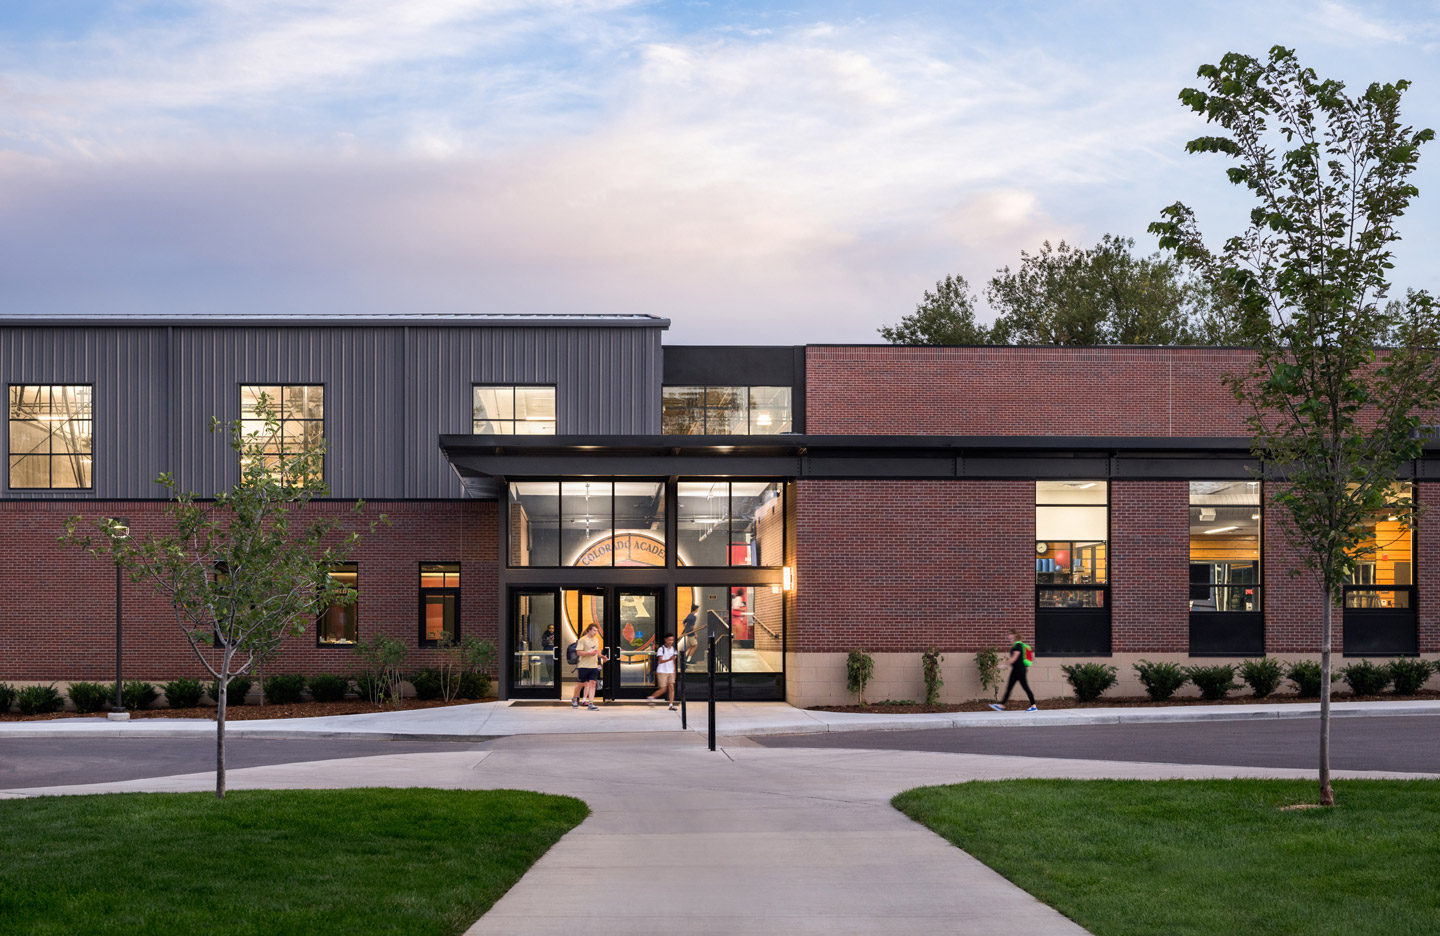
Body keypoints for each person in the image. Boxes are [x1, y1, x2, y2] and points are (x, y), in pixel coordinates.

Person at [989, 629, 1038, 712]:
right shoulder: (1016, 645)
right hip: (1016, 669)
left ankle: (1033, 706)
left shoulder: (1018, 645)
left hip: (1019, 670)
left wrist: (1004, 665)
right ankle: (1002, 705)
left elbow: (1014, 658)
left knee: (1025, 688)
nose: (1008, 636)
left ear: (1014, 635)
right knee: (1009, 688)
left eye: (1010, 634)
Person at [572, 622, 607, 711]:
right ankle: (574, 698)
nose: (595, 632)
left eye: (596, 631)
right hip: (583, 666)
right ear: (589, 630)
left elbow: (597, 651)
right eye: (594, 630)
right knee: (581, 684)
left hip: (593, 665)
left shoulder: (596, 640)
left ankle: (591, 703)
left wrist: (602, 656)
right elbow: (579, 652)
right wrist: (588, 653)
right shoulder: (582, 640)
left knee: (593, 683)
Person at [647, 633, 679, 710]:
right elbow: (660, 661)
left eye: (672, 640)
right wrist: (669, 659)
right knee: (663, 689)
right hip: (662, 671)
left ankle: (671, 704)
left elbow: (674, 662)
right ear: (665, 640)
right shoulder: (661, 649)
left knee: (671, 688)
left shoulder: (673, 649)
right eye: (669, 640)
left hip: (670, 671)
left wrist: (674, 671)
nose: (671, 641)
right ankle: (651, 697)